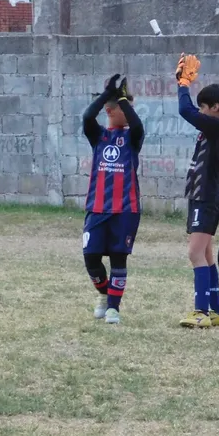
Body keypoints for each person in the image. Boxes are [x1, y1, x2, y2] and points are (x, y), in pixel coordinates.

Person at [176, 54, 219, 329]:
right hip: (202, 196)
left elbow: (185, 111)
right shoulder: (214, 127)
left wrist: (183, 84)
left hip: (207, 198)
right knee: (207, 254)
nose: (199, 112)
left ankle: (200, 312)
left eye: (204, 107)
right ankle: (217, 311)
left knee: (195, 254)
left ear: (215, 107)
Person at [82, 74, 144, 325]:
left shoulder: (132, 137)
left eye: (116, 107)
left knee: (119, 258)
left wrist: (122, 99)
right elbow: (87, 117)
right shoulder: (98, 136)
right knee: (91, 257)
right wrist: (106, 95)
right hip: (97, 208)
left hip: (125, 209)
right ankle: (104, 294)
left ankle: (114, 309)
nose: (110, 110)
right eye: (109, 108)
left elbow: (138, 125)